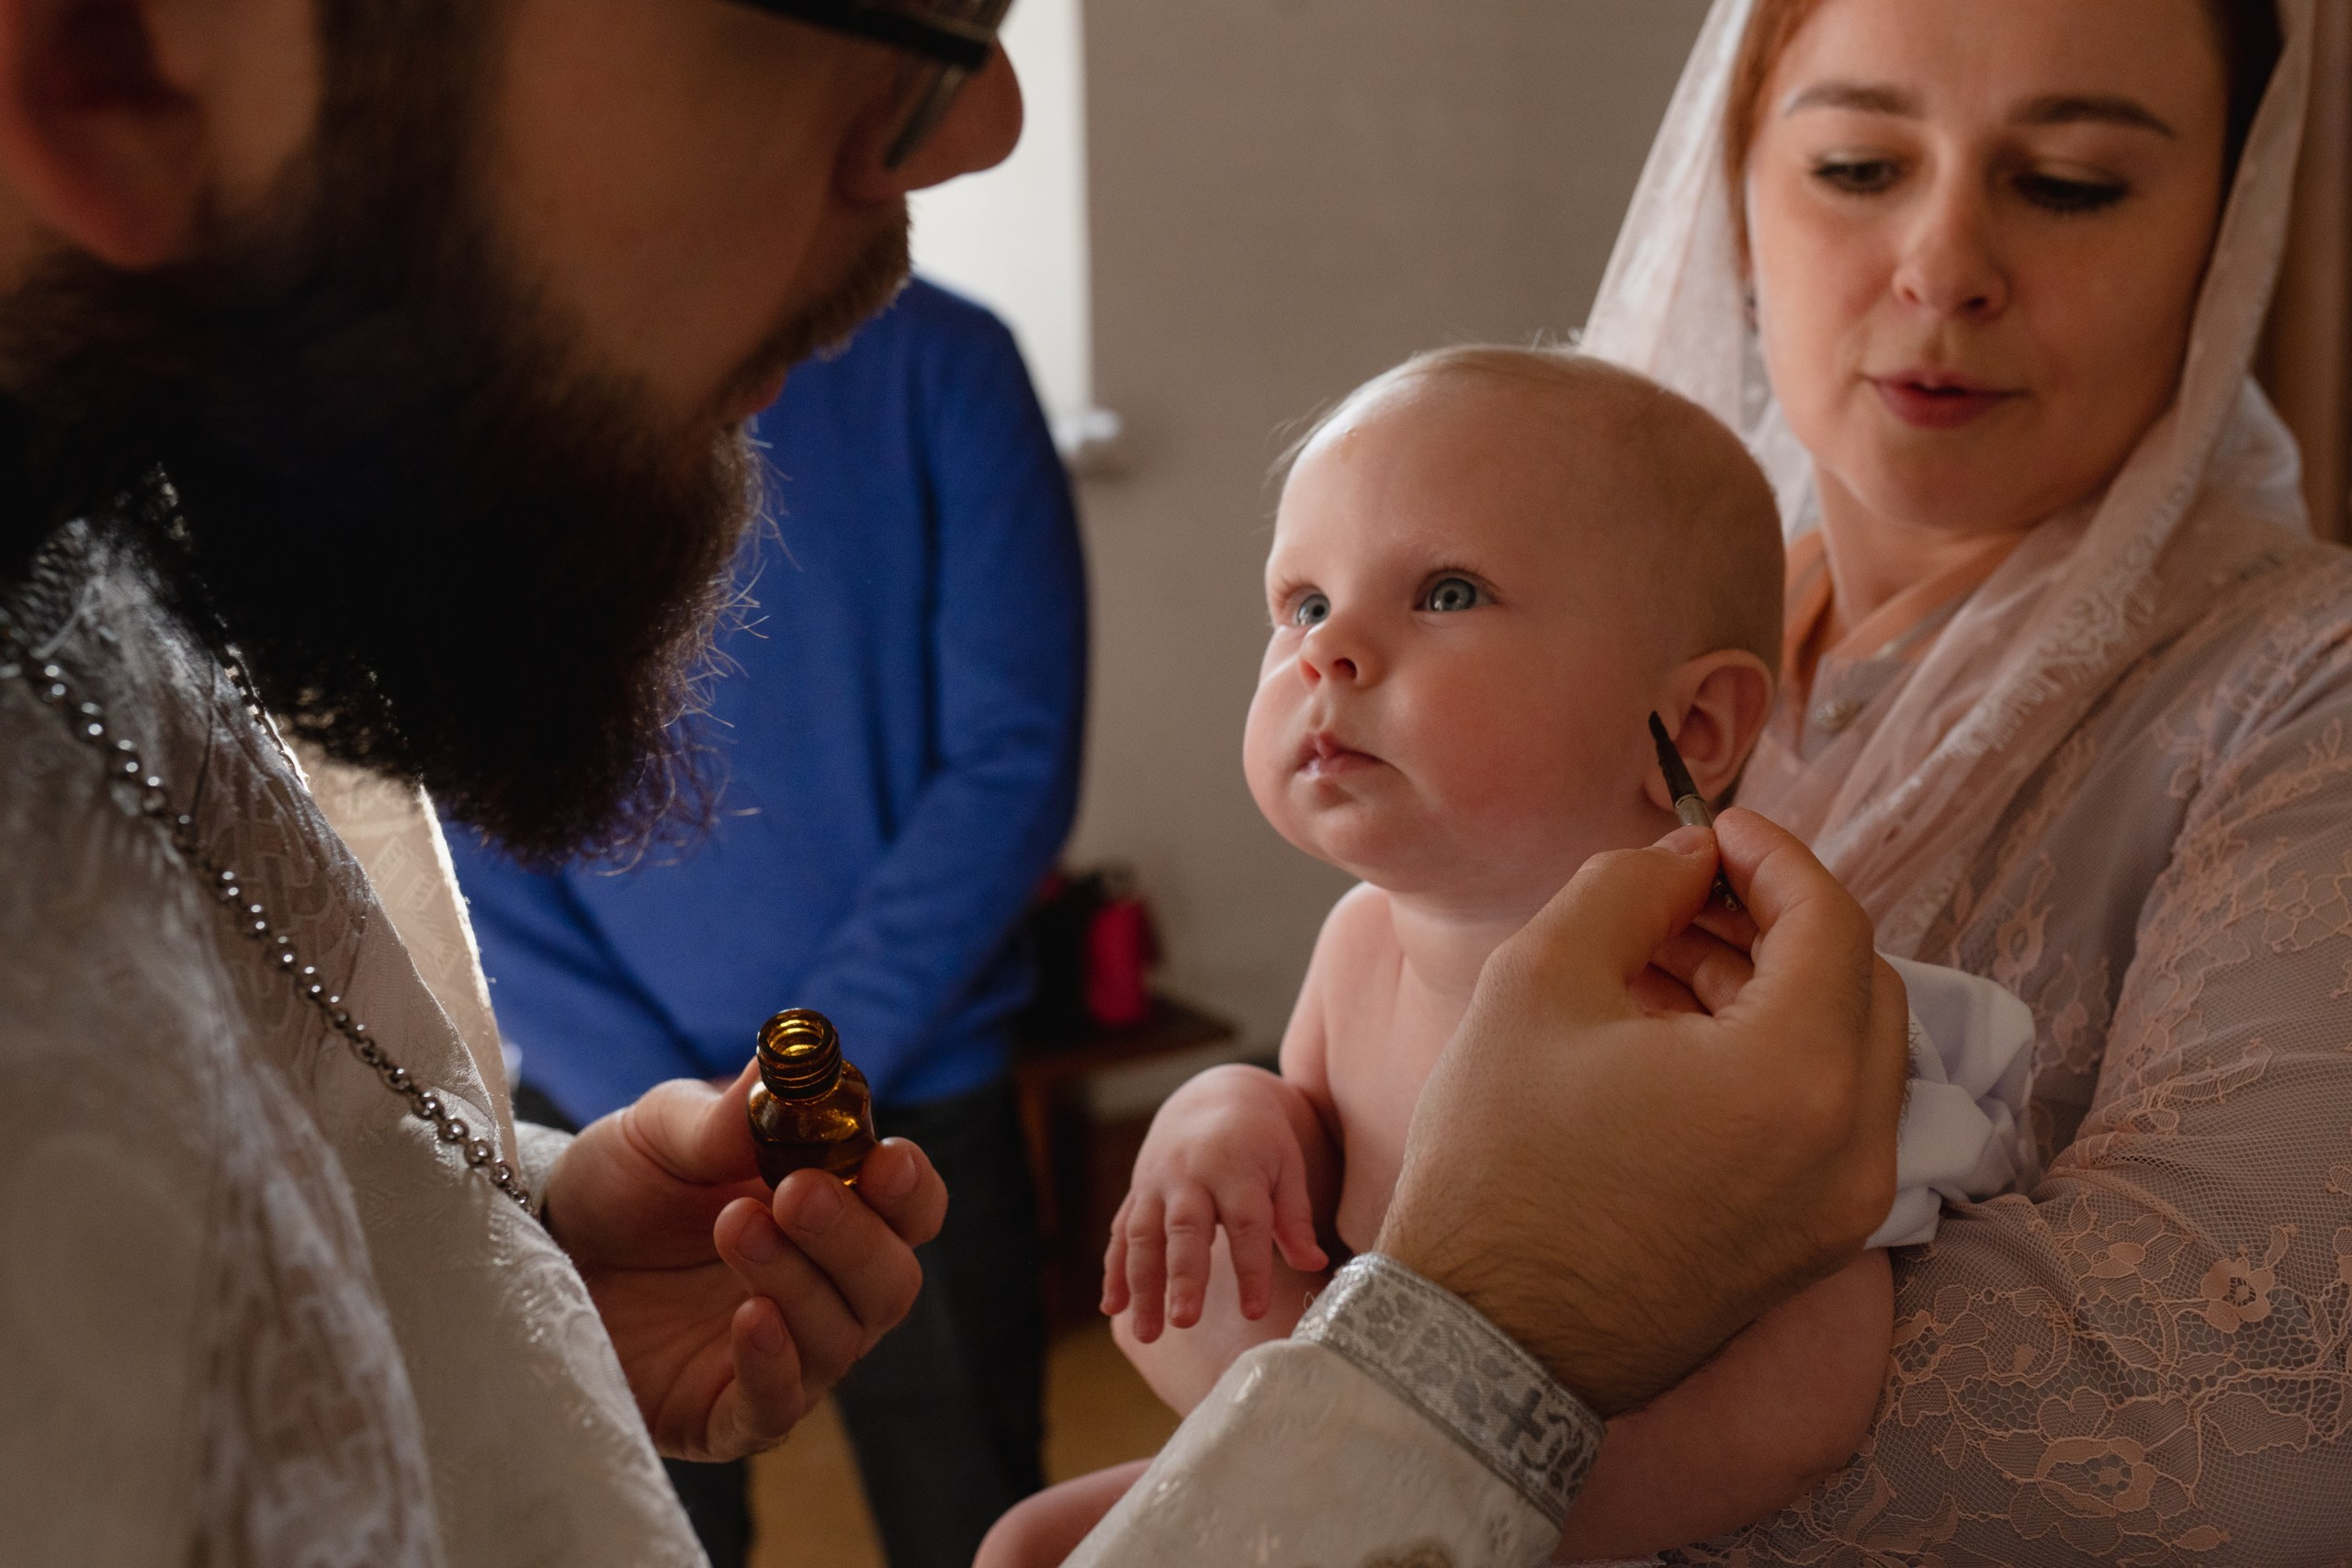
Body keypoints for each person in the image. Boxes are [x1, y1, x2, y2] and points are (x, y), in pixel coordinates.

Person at [0, 3, 1915, 1564]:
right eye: (876, 16)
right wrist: (1461, 1349)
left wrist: (515, 1281)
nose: (983, 122)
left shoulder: (131, 614)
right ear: (113, 51)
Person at [979, 348, 2036, 1567]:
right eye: (1304, 603)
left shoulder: (1719, 1012)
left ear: (1688, 729)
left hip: (1594, 1506)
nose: (1329, 652)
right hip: (1368, 1437)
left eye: (1446, 594)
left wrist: (1462, 1502)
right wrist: (1227, 1118)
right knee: (1026, 1542)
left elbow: (1803, 1403)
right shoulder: (1361, 937)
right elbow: (1322, 1143)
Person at [1569, 0, 2352, 1557]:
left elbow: (2223, 1425)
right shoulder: (1593, 650)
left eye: (2068, 183)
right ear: (1737, 191)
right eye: (1859, 166)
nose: (1943, 268)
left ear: (2226, 228)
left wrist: (1402, 1390)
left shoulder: (2304, 692)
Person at [446, 274, 1084, 1568]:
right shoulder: (482, 389)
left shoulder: (944, 365)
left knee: (970, 1515)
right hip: (601, 1125)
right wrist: (670, 1120)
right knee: (633, 1533)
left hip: (907, 1105)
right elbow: (458, 809)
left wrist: (806, 1080)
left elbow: (1014, 758)